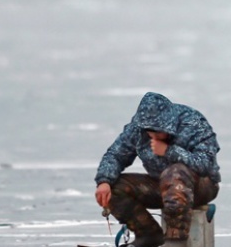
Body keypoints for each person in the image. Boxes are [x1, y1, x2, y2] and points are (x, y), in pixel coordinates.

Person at [94, 92, 221, 247]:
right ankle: (148, 235)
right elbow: (115, 155)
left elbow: (206, 164)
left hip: (201, 186)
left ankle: (175, 241)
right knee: (114, 187)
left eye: (159, 131)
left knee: (174, 173)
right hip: (162, 185)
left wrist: (169, 151)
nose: (154, 135)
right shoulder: (138, 128)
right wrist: (104, 181)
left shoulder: (193, 122)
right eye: (150, 131)